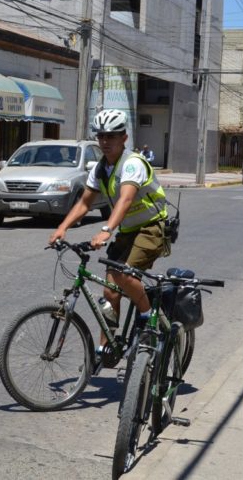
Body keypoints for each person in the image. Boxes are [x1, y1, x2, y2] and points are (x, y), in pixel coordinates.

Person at [49, 109, 168, 344]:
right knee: (109, 292)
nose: (105, 141)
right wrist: (62, 228)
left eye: (111, 136)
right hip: (127, 232)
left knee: (125, 275)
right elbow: (84, 202)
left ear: (124, 138)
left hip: (151, 228)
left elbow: (125, 199)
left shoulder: (133, 163)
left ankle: (147, 316)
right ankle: (107, 348)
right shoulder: (100, 168)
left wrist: (105, 230)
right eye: (101, 136)